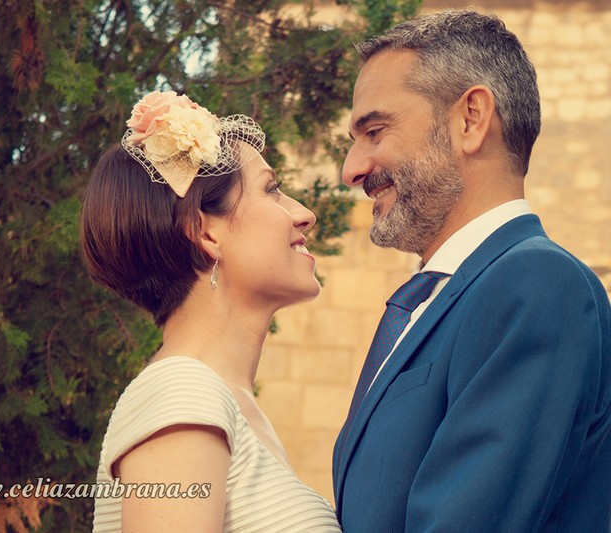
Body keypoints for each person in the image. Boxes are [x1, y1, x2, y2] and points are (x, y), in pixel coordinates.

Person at [332, 9, 611, 532]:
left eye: (375, 131)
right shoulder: (445, 297)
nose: (352, 169)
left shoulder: (536, 285)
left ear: (470, 119)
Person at [82, 90, 341, 532]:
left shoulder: (224, 403)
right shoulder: (183, 391)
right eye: (272, 190)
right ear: (204, 232)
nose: (304, 214)